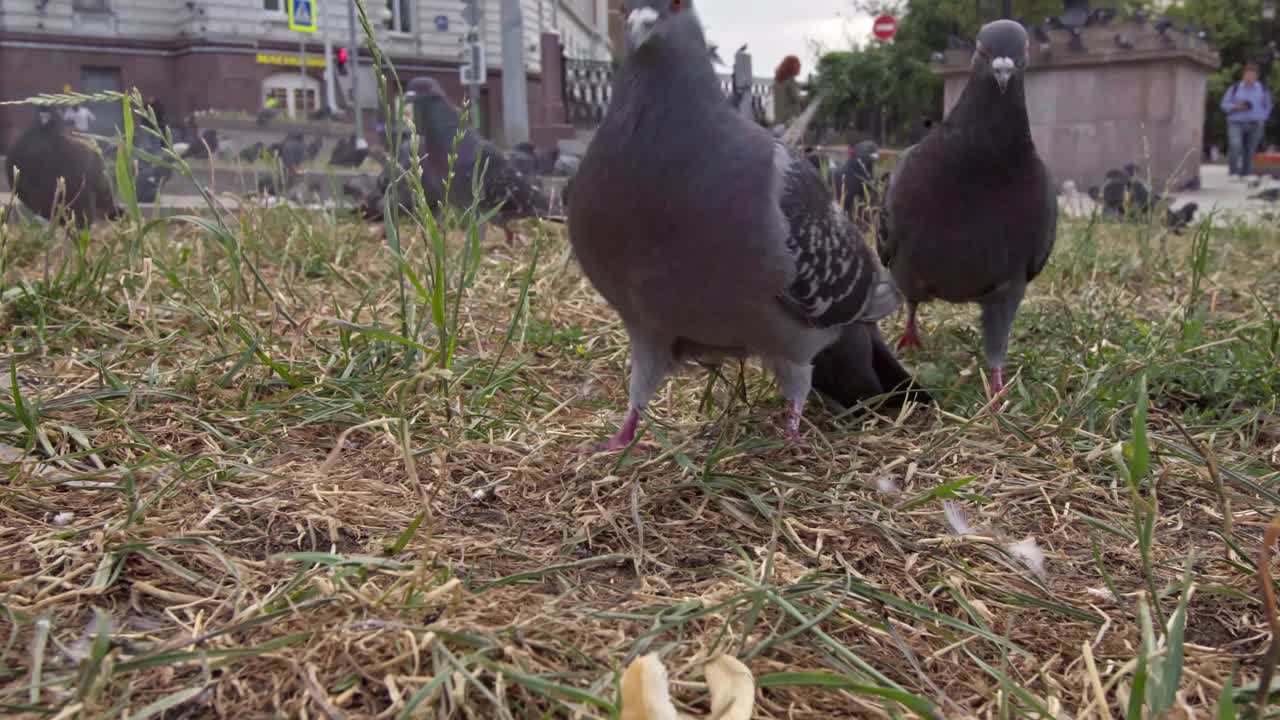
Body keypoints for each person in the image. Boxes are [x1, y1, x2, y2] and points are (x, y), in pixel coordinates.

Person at [1220, 61, 1272, 179]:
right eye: (1248, 74)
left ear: (1257, 76)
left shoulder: (1262, 89)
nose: (1250, 77)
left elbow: (1268, 106)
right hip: (1236, 122)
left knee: (1250, 150)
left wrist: (1263, 118)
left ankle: (1246, 173)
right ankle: (1234, 172)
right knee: (1235, 145)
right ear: (1244, 75)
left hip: (1255, 124)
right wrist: (1235, 107)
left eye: (1252, 74)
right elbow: (1224, 104)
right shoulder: (1235, 88)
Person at [773, 55, 806, 128]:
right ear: (792, 67)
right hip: (789, 119)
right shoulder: (790, 80)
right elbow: (797, 98)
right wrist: (808, 97)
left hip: (778, 118)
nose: (800, 68)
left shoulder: (778, 79)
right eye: (798, 65)